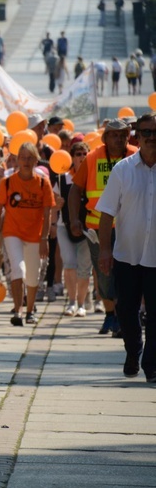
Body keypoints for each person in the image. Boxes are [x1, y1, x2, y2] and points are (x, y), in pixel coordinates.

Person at [96, 112, 156, 383]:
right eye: (146, 132)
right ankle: (133, 351)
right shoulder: (122, 170)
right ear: (137, 136)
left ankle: (151, 364)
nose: (151, 138)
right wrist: (105, 250)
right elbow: (107, 213)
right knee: (127, 311)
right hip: (127, 254)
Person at [68, 119, 138, 336]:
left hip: (130, 227)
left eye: (122, 134)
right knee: (104, 273)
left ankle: (123, 318)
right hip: (97, 227)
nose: (119, 138)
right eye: (113, 134)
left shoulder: (137, 155)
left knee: (127, 274)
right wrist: (74, 219)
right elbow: (75, 191)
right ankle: (110, 316)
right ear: (105, 137)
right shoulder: (92, 158)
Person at [0, 143, 54, 326]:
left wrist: (44, 239)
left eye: (30, 158)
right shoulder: (8, 182)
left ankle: (30, 311)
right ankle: (18, 310)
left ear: (36, 160)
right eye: (23, 158)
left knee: (33, 275)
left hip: (35, 235)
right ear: (17, 160)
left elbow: (47, 211)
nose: (26, 162)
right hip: (13, 232)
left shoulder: (43, 182)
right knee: (18, 269)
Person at [55, 142, 92, 317]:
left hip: (89, 226)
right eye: (78, 154)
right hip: (64, 226)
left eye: (85, 153)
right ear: (72, 157)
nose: (81, 156)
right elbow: (52, 202)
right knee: (69, 264)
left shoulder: (92, 176)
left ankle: (82, 303)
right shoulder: (62, 178)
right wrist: (57, 204)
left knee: (84, 267)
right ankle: (71, 302)